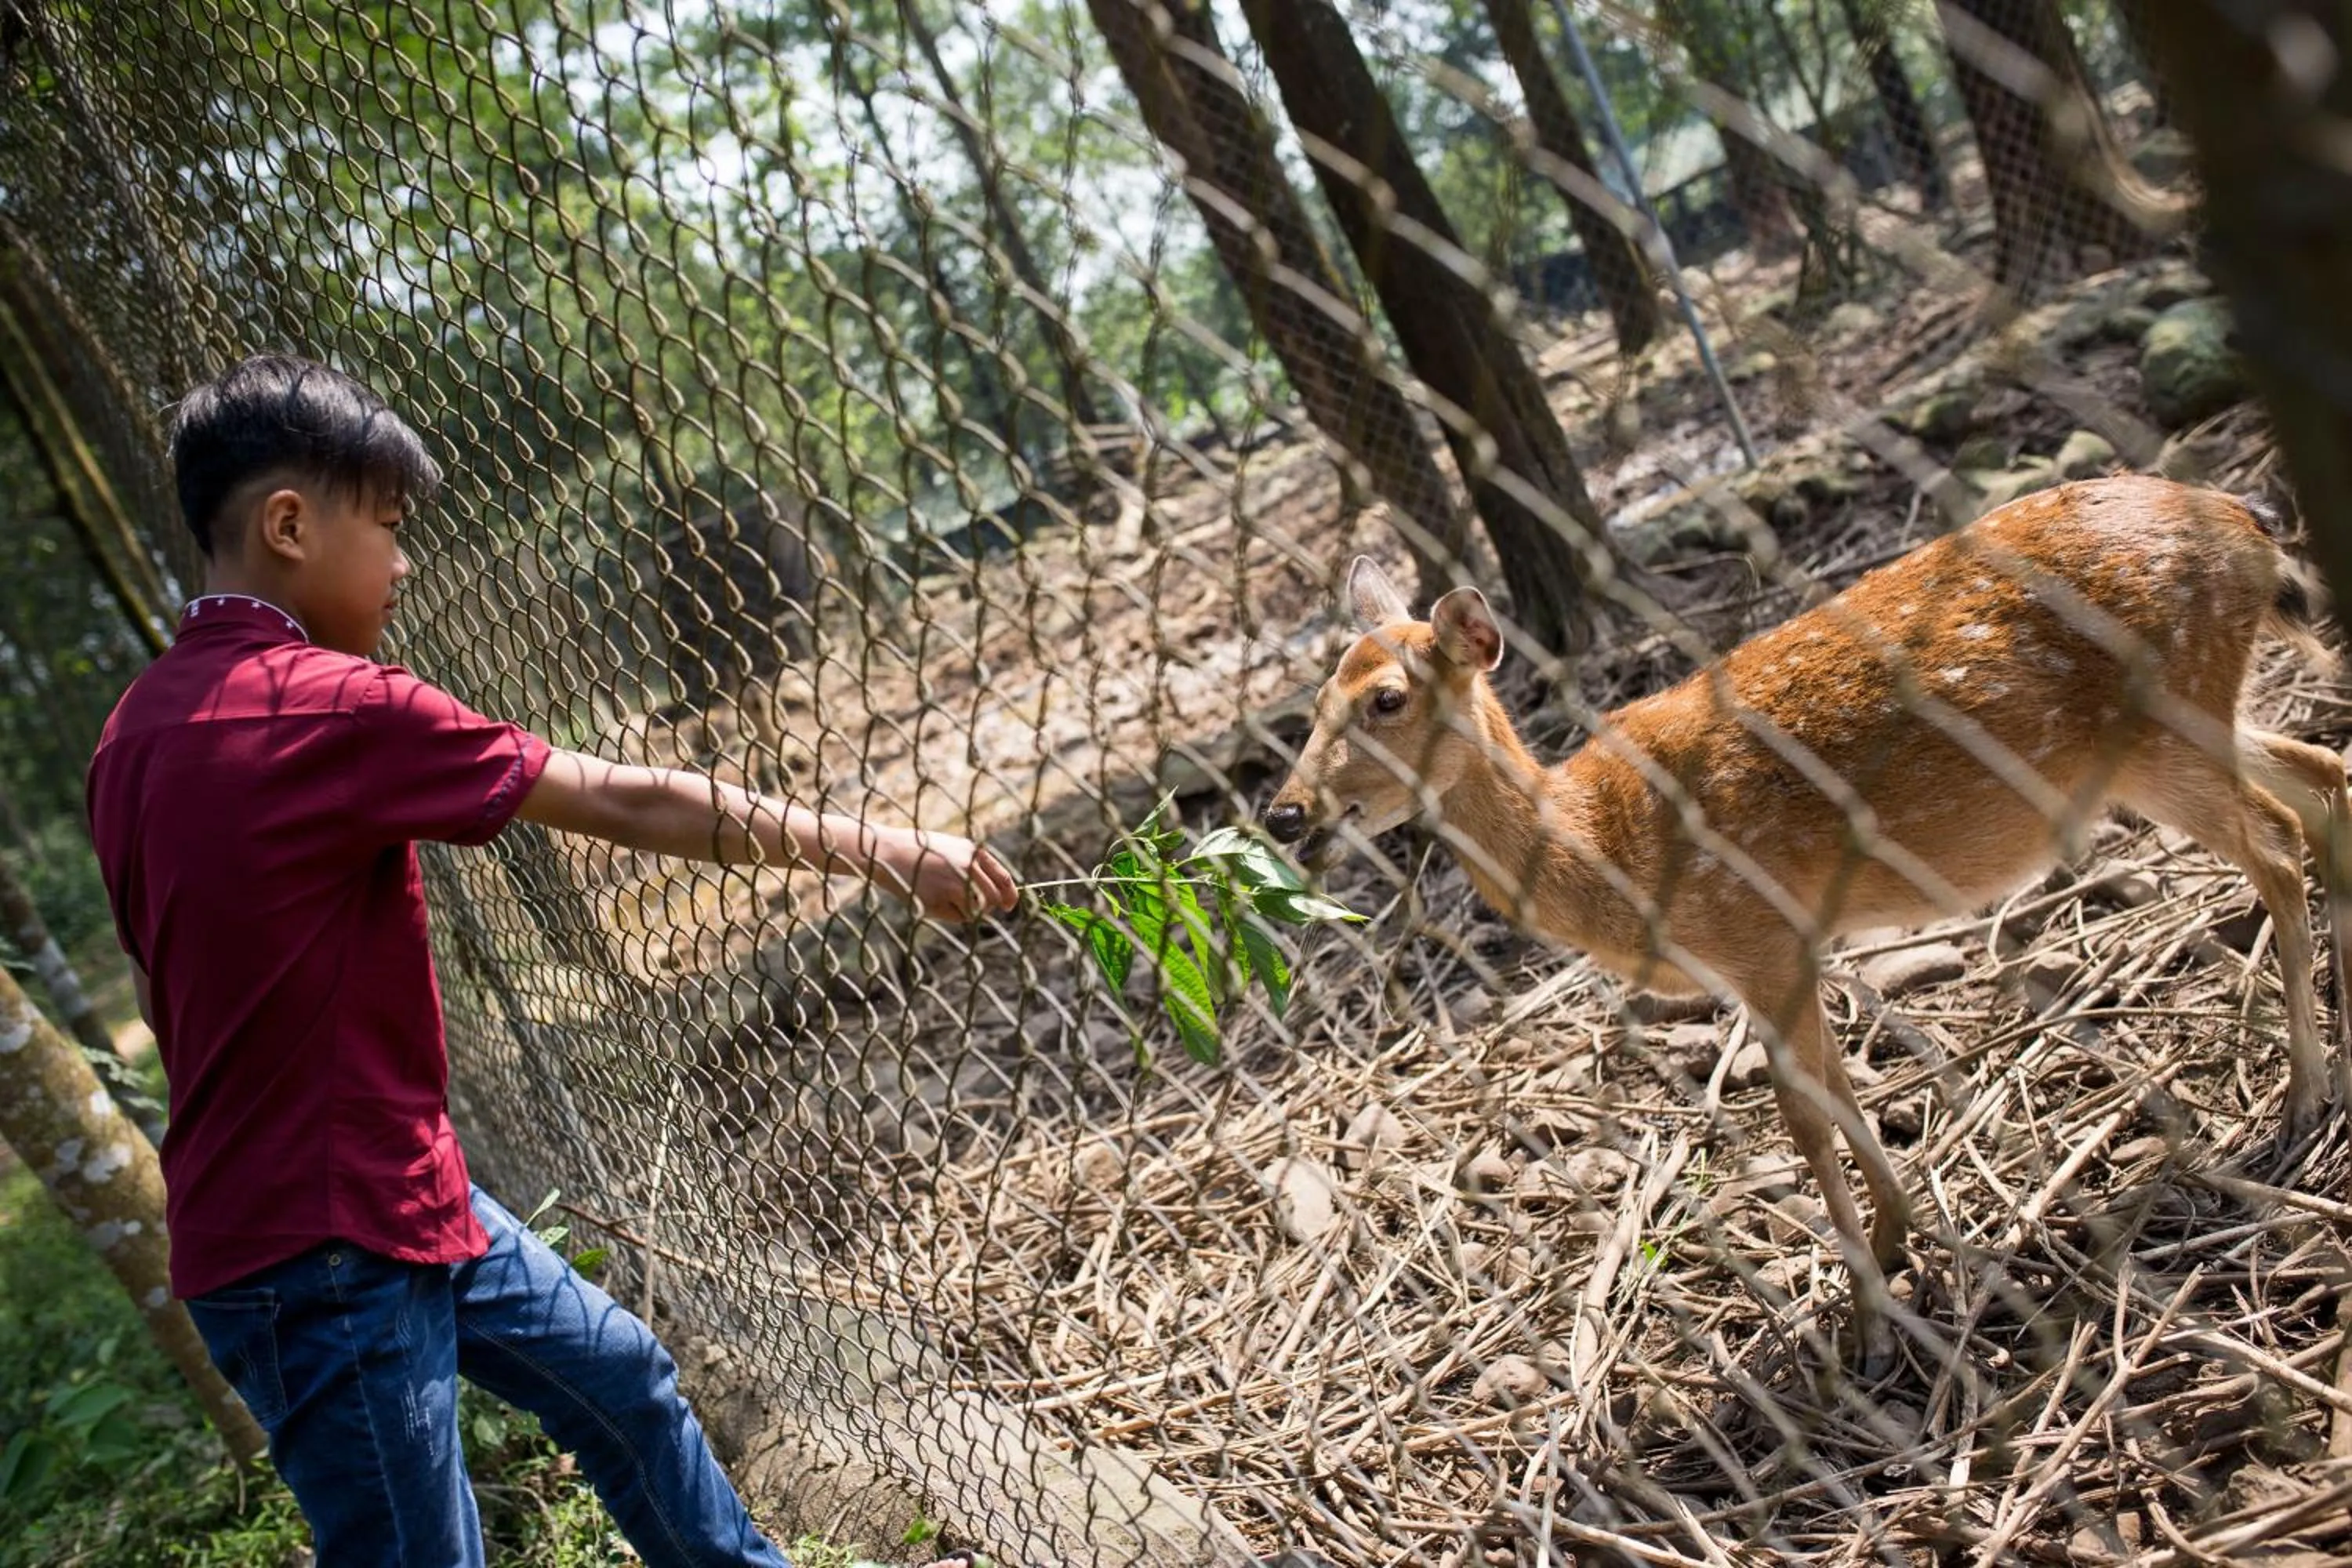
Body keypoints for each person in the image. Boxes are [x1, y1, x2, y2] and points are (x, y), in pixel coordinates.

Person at [85, 353, 1019, 1567]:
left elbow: (163, 981)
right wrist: (890, 850)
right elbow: (628, 802)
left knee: (621, 1380)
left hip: (374, 1196)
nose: (406, 565)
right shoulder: (326, 702)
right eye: (388, 526)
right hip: (318, 1250)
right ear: (288, 525)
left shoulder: (132, 733)